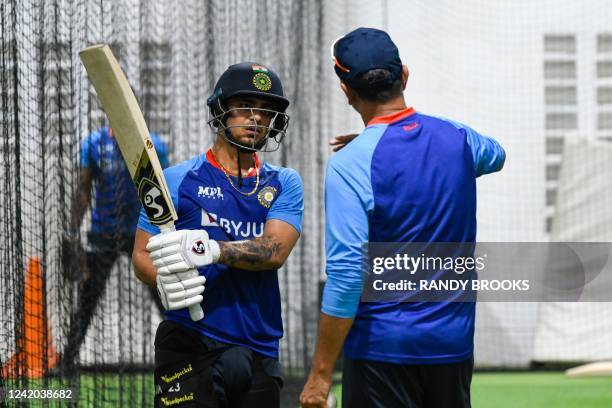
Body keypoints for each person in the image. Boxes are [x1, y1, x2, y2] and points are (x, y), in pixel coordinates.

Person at [300, 28, 506, 408]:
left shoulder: (350, 165)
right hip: (453, 349)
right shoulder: (459, 140)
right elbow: (497, 154)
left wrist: (321, 374)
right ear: (405, 76)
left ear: (347, 92)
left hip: (382, 353)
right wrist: (427, 136)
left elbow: (346, 276)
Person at [132, 62, 304, 408]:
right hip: (190, 340)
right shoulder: (176, 180)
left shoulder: (284, 183)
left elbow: (275, 250)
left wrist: (212, 250)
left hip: (258, 344)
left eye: (267, 112)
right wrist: (162, 280)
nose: (256, 119)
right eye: (245, 108)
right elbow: (141, 254)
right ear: (222, 111)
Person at [61, 126, 168, 374]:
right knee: (88, 299)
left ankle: (185, 353)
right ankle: (67, 362)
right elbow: (83, 190)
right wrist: (72, 233)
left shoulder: (153, 145)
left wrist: (165, 234)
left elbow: (162, 189)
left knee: (163, 295)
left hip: (140, 233)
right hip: (103, 233)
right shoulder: (94, 144)